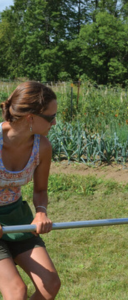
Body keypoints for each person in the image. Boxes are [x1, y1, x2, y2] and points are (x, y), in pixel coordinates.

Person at [0, 81, 61, 300]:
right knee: (17, 292)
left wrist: (41, 211)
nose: (54, 122)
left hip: (18, 218)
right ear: (30, 118)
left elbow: (41, 189)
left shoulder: (42, 146)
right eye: (50, 117)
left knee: (50, 285)